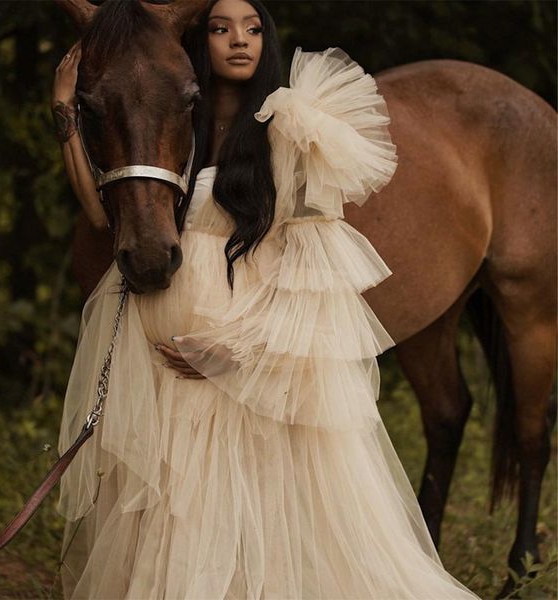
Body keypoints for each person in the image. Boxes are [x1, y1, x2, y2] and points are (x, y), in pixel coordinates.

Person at [52, 0, 483, 598]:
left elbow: (313, 267)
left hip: (238, 346)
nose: (238, 41)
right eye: (221, 28)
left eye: (252, 28)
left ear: (267, 39)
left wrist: (236, 350)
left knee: (255, 491)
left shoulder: (290, 127)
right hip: (166, 350)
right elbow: (102, 212)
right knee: (180, 503)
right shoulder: (180, 129)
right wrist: (63, 111)